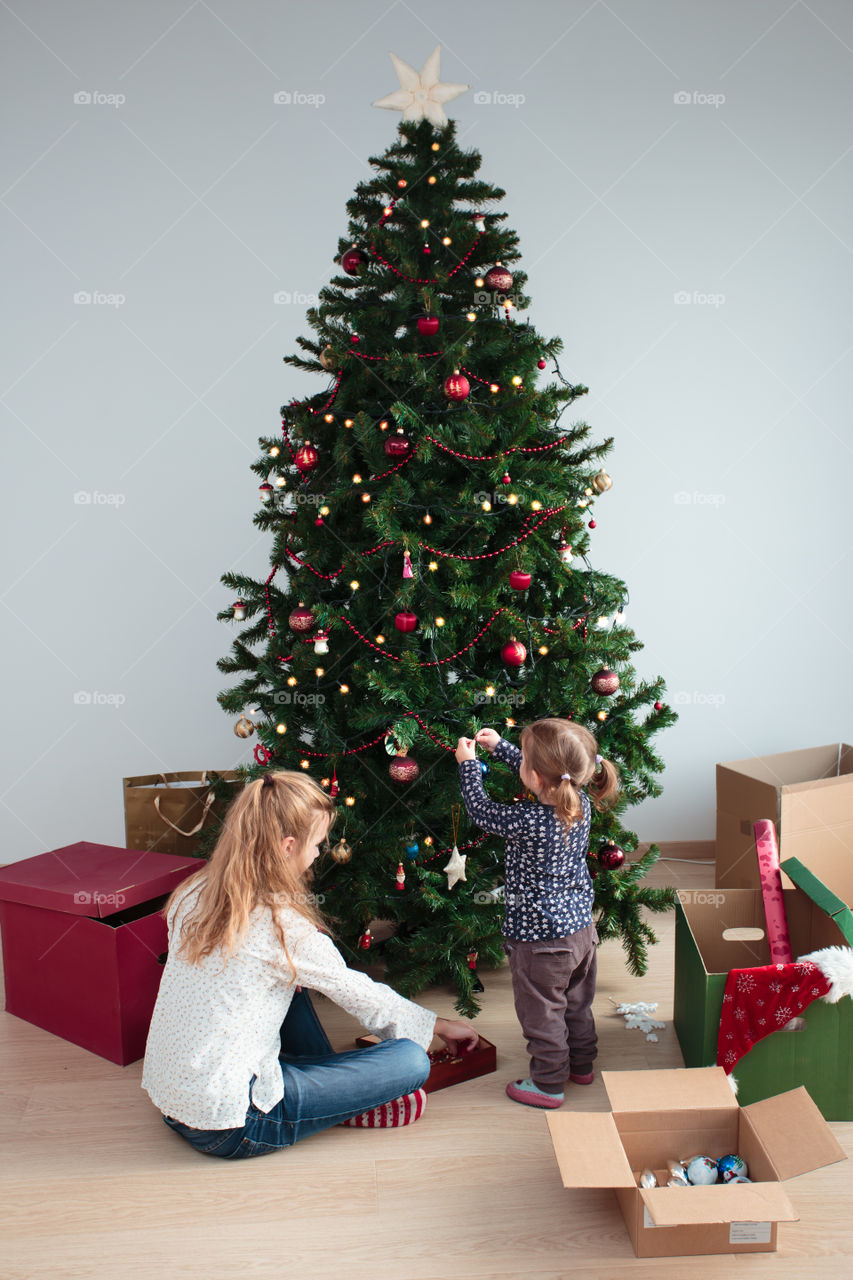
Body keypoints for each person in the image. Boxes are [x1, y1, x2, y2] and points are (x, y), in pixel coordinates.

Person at [141, 770, 477, 1158]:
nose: (319, 853)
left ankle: (327, 1096)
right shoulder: (286, 929)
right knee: (411, 1061)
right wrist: (437, 1024)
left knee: (288, 987)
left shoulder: (194, 890)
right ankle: (338, 1105)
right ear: (287, 846)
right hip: (233, 1126)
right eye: (317, 844)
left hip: (172, 1100)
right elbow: (360, 994)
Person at [455, 718, 619, 1109]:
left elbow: (481, 812)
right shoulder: (579, 802)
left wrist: (467, 764)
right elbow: (543, 774)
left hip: (539, 941)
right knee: (576, 1004)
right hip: (580, 931)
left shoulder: (525, 821)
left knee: (542, 1013)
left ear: (535, 774)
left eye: (524, 759)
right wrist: (502, 748)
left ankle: (547, 1083)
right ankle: (581, 1066)